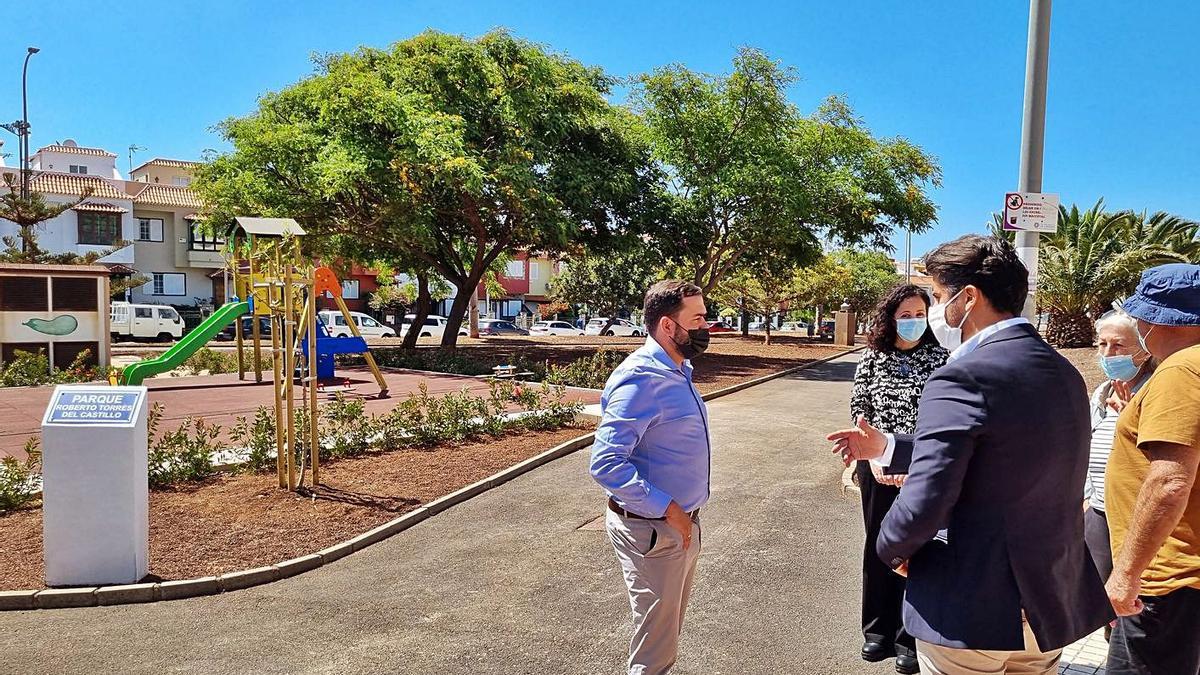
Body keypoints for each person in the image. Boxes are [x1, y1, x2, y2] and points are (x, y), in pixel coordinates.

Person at [828, 235, 1112, 675]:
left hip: (972, 610)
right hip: (1047, 604)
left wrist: (891, 549)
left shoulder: (960, 376)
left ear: (969, 298)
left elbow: (928, 496)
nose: (936, 310)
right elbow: (1001, 452)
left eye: (938, 297)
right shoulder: (1065, 373)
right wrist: (888, 446)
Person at [589, 280, 712, 675]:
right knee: (654, 650)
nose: (705, 326)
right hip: (654, 529)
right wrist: (670, 510)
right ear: (667, 326)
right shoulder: (642, 379)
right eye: (697, 319)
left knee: (665, 634)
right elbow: (606, 463)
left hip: (678, 525)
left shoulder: (678, 369)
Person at [1103, 263, 1200, 675]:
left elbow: (1169, 482)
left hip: (1165, 578)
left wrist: (1126, 573)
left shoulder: (1181, 370)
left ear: (1155, 318)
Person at [850, 284, 948, 674]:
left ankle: (909, 636)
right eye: (904, 315)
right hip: (875, 468)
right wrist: (873, 456)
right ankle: (876, 629)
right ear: (890, 318)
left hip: (921, 468)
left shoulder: (942, 360)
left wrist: (910, 461)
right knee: (879, 544)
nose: (913, 322)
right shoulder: (872, 358)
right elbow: (859, 408)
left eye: (919, 314)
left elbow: (943, 419)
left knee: (917, 548)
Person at [1085, 310, 1156, 586]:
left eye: (1118, 345)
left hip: (1134, 514)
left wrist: (1131, 420)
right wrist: (1087, 499)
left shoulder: (1153, 390)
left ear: (1144, 351)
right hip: (1099, 510)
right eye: (1103, 344)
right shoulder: (1101, 392)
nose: (1108, 353)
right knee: (1098, 600)